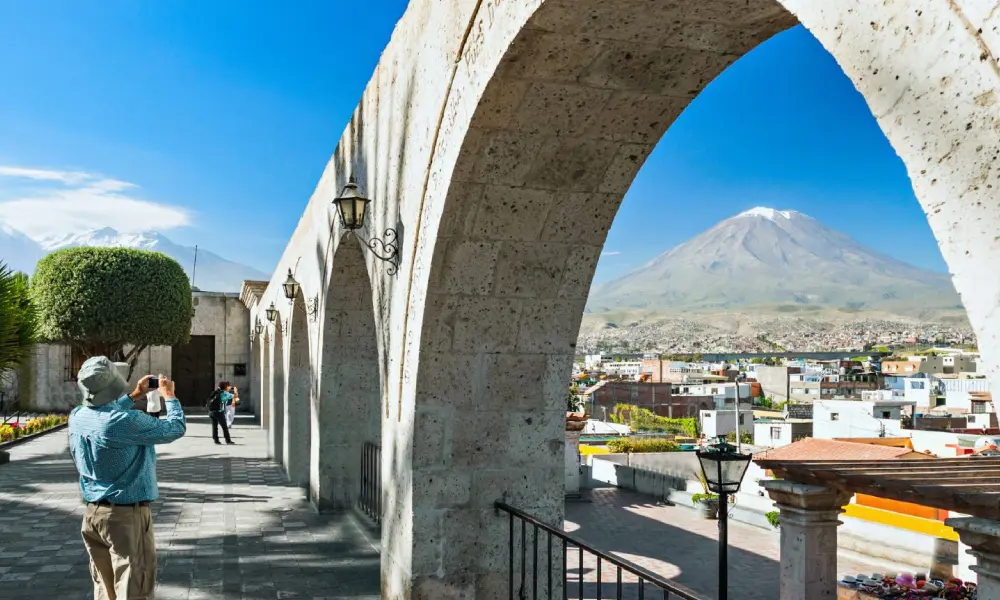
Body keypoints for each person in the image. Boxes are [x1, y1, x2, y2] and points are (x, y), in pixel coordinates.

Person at [68, 356, 186, 600]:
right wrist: (170, 396)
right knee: (134, 590)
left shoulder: (78, 416)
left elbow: (105, 414)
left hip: (94, 516)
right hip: (125, 518)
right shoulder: (125, 422)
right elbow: (175, 428)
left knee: (105, 589)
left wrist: (134, 395)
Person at [208, 380, 235, 445]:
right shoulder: (224, 393)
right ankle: (228, 440)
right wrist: (234, 390)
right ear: (225, 387)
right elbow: (233, 396)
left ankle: (216, 440)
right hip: (219, 412)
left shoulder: (215, 392)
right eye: (228, 386)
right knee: (224, 427)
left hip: (211, 412)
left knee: (214, 426)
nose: (229, 387)